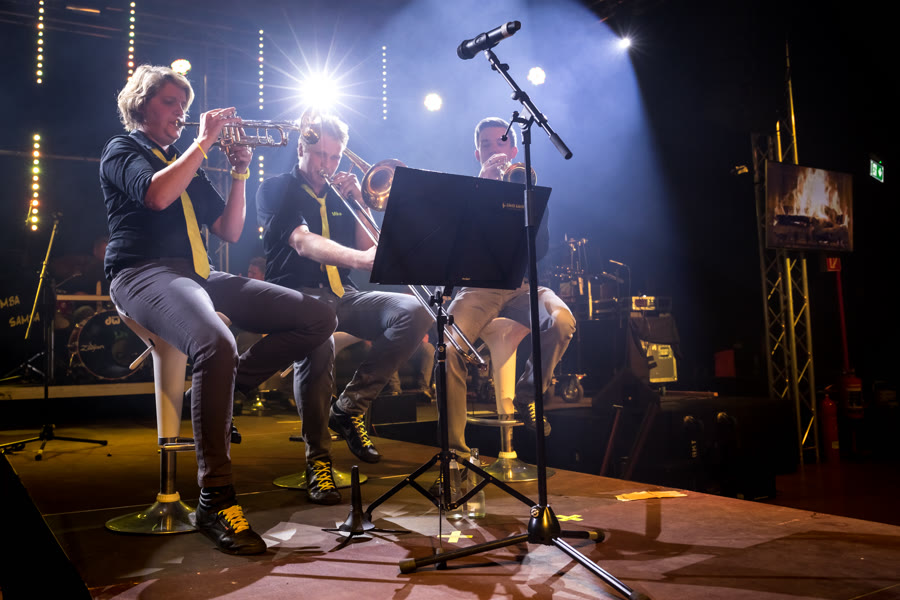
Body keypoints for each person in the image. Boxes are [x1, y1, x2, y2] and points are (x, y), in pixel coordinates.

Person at [100, 65, 336, 554]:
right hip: (142, 272)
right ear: (142, 105)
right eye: (169, 103)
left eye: (183, 105)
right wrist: (204, 142)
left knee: (319, 317)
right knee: (215, 341)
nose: (180, 112)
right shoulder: (123, 149)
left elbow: (229, 230)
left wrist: (240, 171)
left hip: (199, 272)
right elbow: (157, 195)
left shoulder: (184, 159)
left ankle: (232, 385)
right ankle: (215, 497)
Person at [256, 112, 432, 505]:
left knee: (415, 311)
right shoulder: (278, 188)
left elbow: (371, 246)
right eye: (320, 154)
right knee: (318, 342)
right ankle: (317, 460)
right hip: (296, 294)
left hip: (343, 294)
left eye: (334, 157)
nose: (327, 164)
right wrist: (356, 259)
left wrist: (359, 203)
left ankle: (350, 407)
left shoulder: (340, 193)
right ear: (301, 149)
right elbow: (303, 242)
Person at [442, 117, 576, 459]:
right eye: (486, 145)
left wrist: (527, 203)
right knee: (449, 347)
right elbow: (451, 247)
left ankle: (529, 395)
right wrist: (481, 190)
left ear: (514, 151)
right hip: (477, 289)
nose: (494, 150)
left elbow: (539, 250)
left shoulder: (528, 190)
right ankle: (455, 455)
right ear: (477, 154)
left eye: (500, 143)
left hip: (521, 286)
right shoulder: (465, 194)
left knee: (562, 321)